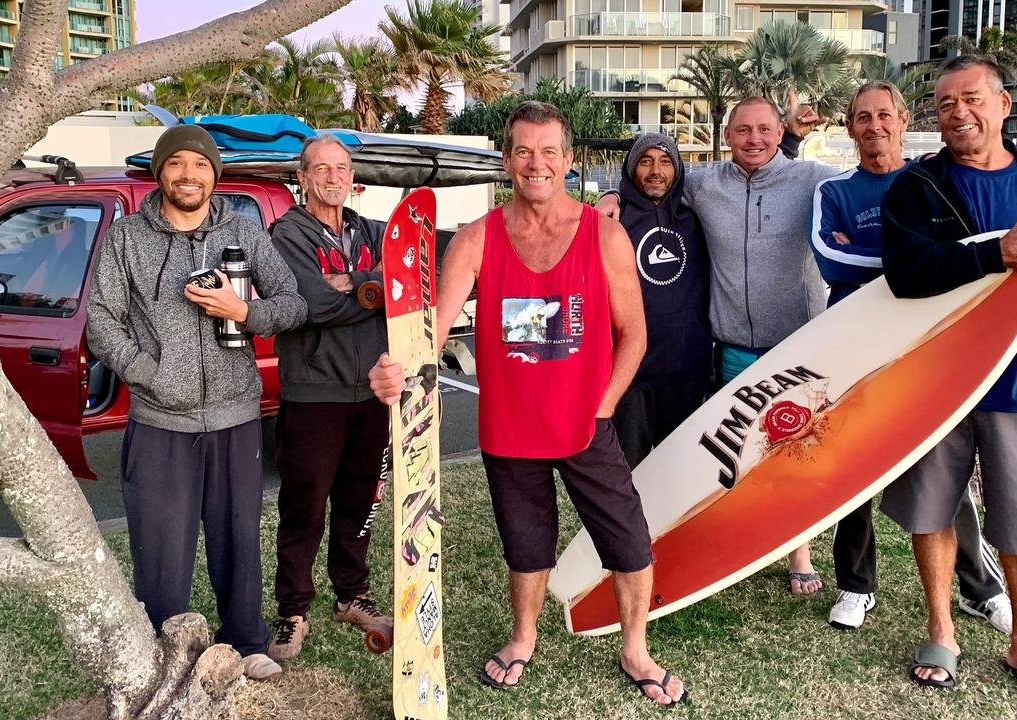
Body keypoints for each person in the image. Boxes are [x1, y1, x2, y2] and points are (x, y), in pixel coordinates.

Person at [370, 101, 686, 705]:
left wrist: (602, 407)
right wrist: (397, 370)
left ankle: (636, 648)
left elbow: (635, 334)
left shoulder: (604, 233)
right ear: (506, 160)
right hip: (509, 428)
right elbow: (429, 333)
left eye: (548, 152)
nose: (535, 164)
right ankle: (522, 638)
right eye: (522, 151)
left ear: (568, 160)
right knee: (525, 542)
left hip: (585, 425)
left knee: (628, 538)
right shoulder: (477, 239)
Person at [880, 55, 1017, 701]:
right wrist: (993, 252)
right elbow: (906, 276)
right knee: (931, 509)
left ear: (1004, 105)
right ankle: (942, 628)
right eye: (946, 103)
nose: (958, 112)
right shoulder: (916, 188)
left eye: (971, 97)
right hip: (939, 381)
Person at [86, 124, 308, 681]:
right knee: (161, 550)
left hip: (236, 416)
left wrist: (244, 313)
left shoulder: (243, 232)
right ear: (161, 173)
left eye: (201, 165)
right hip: (160, 420)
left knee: (238, 538)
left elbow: (293, 303)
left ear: (215, 174)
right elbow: (100, 320)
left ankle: (245, 642)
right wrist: (146, 372)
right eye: (178, 164)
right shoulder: (127, 239)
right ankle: (166, 655)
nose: (190, 175)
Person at [601, 95, 838, 594]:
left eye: (765, 130)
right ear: (726, 136)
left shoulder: (812, 179)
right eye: (743, 130)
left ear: (779, 133)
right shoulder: (705, 184)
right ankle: (730, 541)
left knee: (797, 455)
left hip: (797, 344)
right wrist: (609, 199)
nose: (755, 139)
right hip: (729, 348)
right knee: (739, 455)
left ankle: (799, 554)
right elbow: (648, 185)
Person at [811, 81, 1011, 633]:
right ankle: (855, 585)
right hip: (856, 347)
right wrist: (916, 262)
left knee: (942, 468)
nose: (874, 126)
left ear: (902, 120)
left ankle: (980, 587)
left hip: (930, 346)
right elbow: (831, 261)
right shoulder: (834, 192)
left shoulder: (934, 182)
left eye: (884, 115)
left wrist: (922, 262)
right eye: (862, 118)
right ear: (849, 129)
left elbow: (965, 257)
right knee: (851, 470)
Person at [265, 135, 393, 662]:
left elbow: (413, 277)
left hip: (371, 390)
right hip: (313, 391)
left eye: (341, 167)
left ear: (352, 175)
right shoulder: (285, 234)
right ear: (303, 176)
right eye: (321, 167)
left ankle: (351, 596)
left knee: (359, 500)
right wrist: (374, 288)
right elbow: (312, 304)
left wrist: (352, 282)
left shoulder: (371, 230)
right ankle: (293, 611)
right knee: (305, 507)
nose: (333, 176)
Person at [612, 133, 711, 467]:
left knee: (679, 476)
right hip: (630, 378)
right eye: (646, 161)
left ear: (678, 169)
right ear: (631, 169)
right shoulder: (611, 222)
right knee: (629, 479)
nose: (656, 170)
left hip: (686, 373)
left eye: (665, 161)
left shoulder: (696, 219)